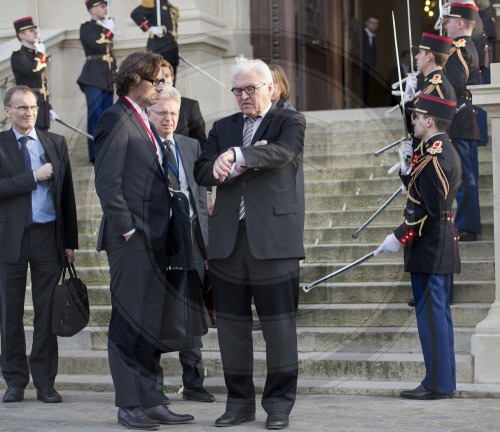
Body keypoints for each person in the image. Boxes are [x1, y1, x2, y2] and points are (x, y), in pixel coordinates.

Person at [194, 59, 306, 430]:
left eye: (250, 89)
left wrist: (238, 156)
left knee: (279, 329)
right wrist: (222, 164)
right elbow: (201, 170)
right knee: (231, 330)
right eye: (237, 91)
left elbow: (283, 153)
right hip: (228, 244)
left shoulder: (289, 122)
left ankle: (278, 405)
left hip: (274, 242)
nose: (244, 96)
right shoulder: (223, 127)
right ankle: (239, 403)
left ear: (270, 87)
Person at [93, 51, 193, 430]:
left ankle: (152, 401)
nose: (161, 86)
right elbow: (108, 182)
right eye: (156, 80)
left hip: (156, 239)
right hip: (131, 240)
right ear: (136, 79)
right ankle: (129, 405)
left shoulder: (143, 121)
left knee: (150, 323)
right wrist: (129, 228)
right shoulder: (115, 118)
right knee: (128, 322)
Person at [375, 93, 462, 400]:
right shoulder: (435, 152)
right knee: (438, 316)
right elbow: (422, 193)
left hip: (430, 245)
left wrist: (399, 236)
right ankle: (443, 381)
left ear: (429, 120)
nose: (411, 121)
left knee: (432, 317)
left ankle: (437, 384)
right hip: (436, 244)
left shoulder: (436, 156)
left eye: (415, 116)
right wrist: (406, 172)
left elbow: (429, 207)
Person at [0, 85, 78, 404]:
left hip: (48, 237)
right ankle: (15, 380)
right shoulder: (1, 144)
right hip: (10, 239)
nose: (29, 113)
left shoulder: (55, 143)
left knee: (47, 314)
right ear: (8, 111)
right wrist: (33, 177)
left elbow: (67, 197)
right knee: (9, 313)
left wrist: (70, 242)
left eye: (33, 107)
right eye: (21, 108)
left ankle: (45, 381)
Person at [146, 86, 215, 404]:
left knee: (191, 312)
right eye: (162, 113)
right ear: (150, 114)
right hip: (157, 243)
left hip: (190, 240)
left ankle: (194, 382)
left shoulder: (189, 146)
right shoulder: (142, 147)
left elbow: (201, 197)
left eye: (173, 113)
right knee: (156, 313)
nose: (169, 119)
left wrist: (207, 242)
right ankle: (153, 385)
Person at [443, 3, 481, 241]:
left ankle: (467, 224)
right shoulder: (467, 46)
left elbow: (454, 86)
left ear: (459, 23)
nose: (445, 25)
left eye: (448, 21)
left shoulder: (458, 49)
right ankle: (469, 223)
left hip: (459, 117)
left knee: (463, 174)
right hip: (467, 117)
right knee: (466, 172)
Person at [77, 0, 117, 164]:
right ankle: (96, 153)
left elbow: (110, 51)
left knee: (107, 116)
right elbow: (94, 44)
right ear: (92, 10)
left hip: (107, 75)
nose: (105, 9)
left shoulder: (106, 26)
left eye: (105, 6)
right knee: (95, 115)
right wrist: (108, 30)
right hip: (93, 75)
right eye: (102, 6)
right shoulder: (87, 27)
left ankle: (107, 150)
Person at [11, 17, 57, 131]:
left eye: (35, 29)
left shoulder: (35, 56)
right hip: (28, 107)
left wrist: (48, 108)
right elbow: (34, 71)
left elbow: (42, 85)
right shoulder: (18, 55)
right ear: (22, 35)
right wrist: (41, 54)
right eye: (31, 30)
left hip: (41, 106)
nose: (35, 32)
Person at [131, 0, 179, 83]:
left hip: (172, 48)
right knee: (158, 79)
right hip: (158, 45)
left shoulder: (171, 6)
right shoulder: (154, 2)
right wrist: (150, 28)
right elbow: (136, 14)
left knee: (170, 79)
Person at [362, 15, 379, 105]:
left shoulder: (373, 36)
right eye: (371, 22)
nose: (373, 25)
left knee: (367, 86)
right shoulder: (362, 34)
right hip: (360, 65)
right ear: (366, 23)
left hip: (368, 67)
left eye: (375, 23)